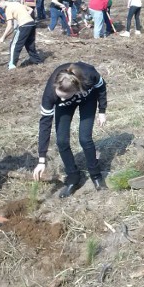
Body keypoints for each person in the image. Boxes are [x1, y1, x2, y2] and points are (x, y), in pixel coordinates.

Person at [32, 62, 108, 198]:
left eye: (64, 96)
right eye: (58, 95)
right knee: (61, 141)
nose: (60, 98)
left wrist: (102, 111)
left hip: (87, 100)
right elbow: (45, 125)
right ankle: (73, 178)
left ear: (77, 89)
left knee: (85, 139)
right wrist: (41, 160)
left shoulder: (88, 74)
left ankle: (96, 175)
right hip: (65, 106)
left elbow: (101, 87)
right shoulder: (52, 95)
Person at [0, 0, 43, 69]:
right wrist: (24, 16)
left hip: (24, 26)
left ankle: (12, 64)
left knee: (14, 45)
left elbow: (9, 25)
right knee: (30, 44)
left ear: (2, 1)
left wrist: (3, 37)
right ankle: (37, 61)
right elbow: (30, 9)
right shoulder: (17, 3)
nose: (0, 7)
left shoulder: (8, 8)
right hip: (31, 23)